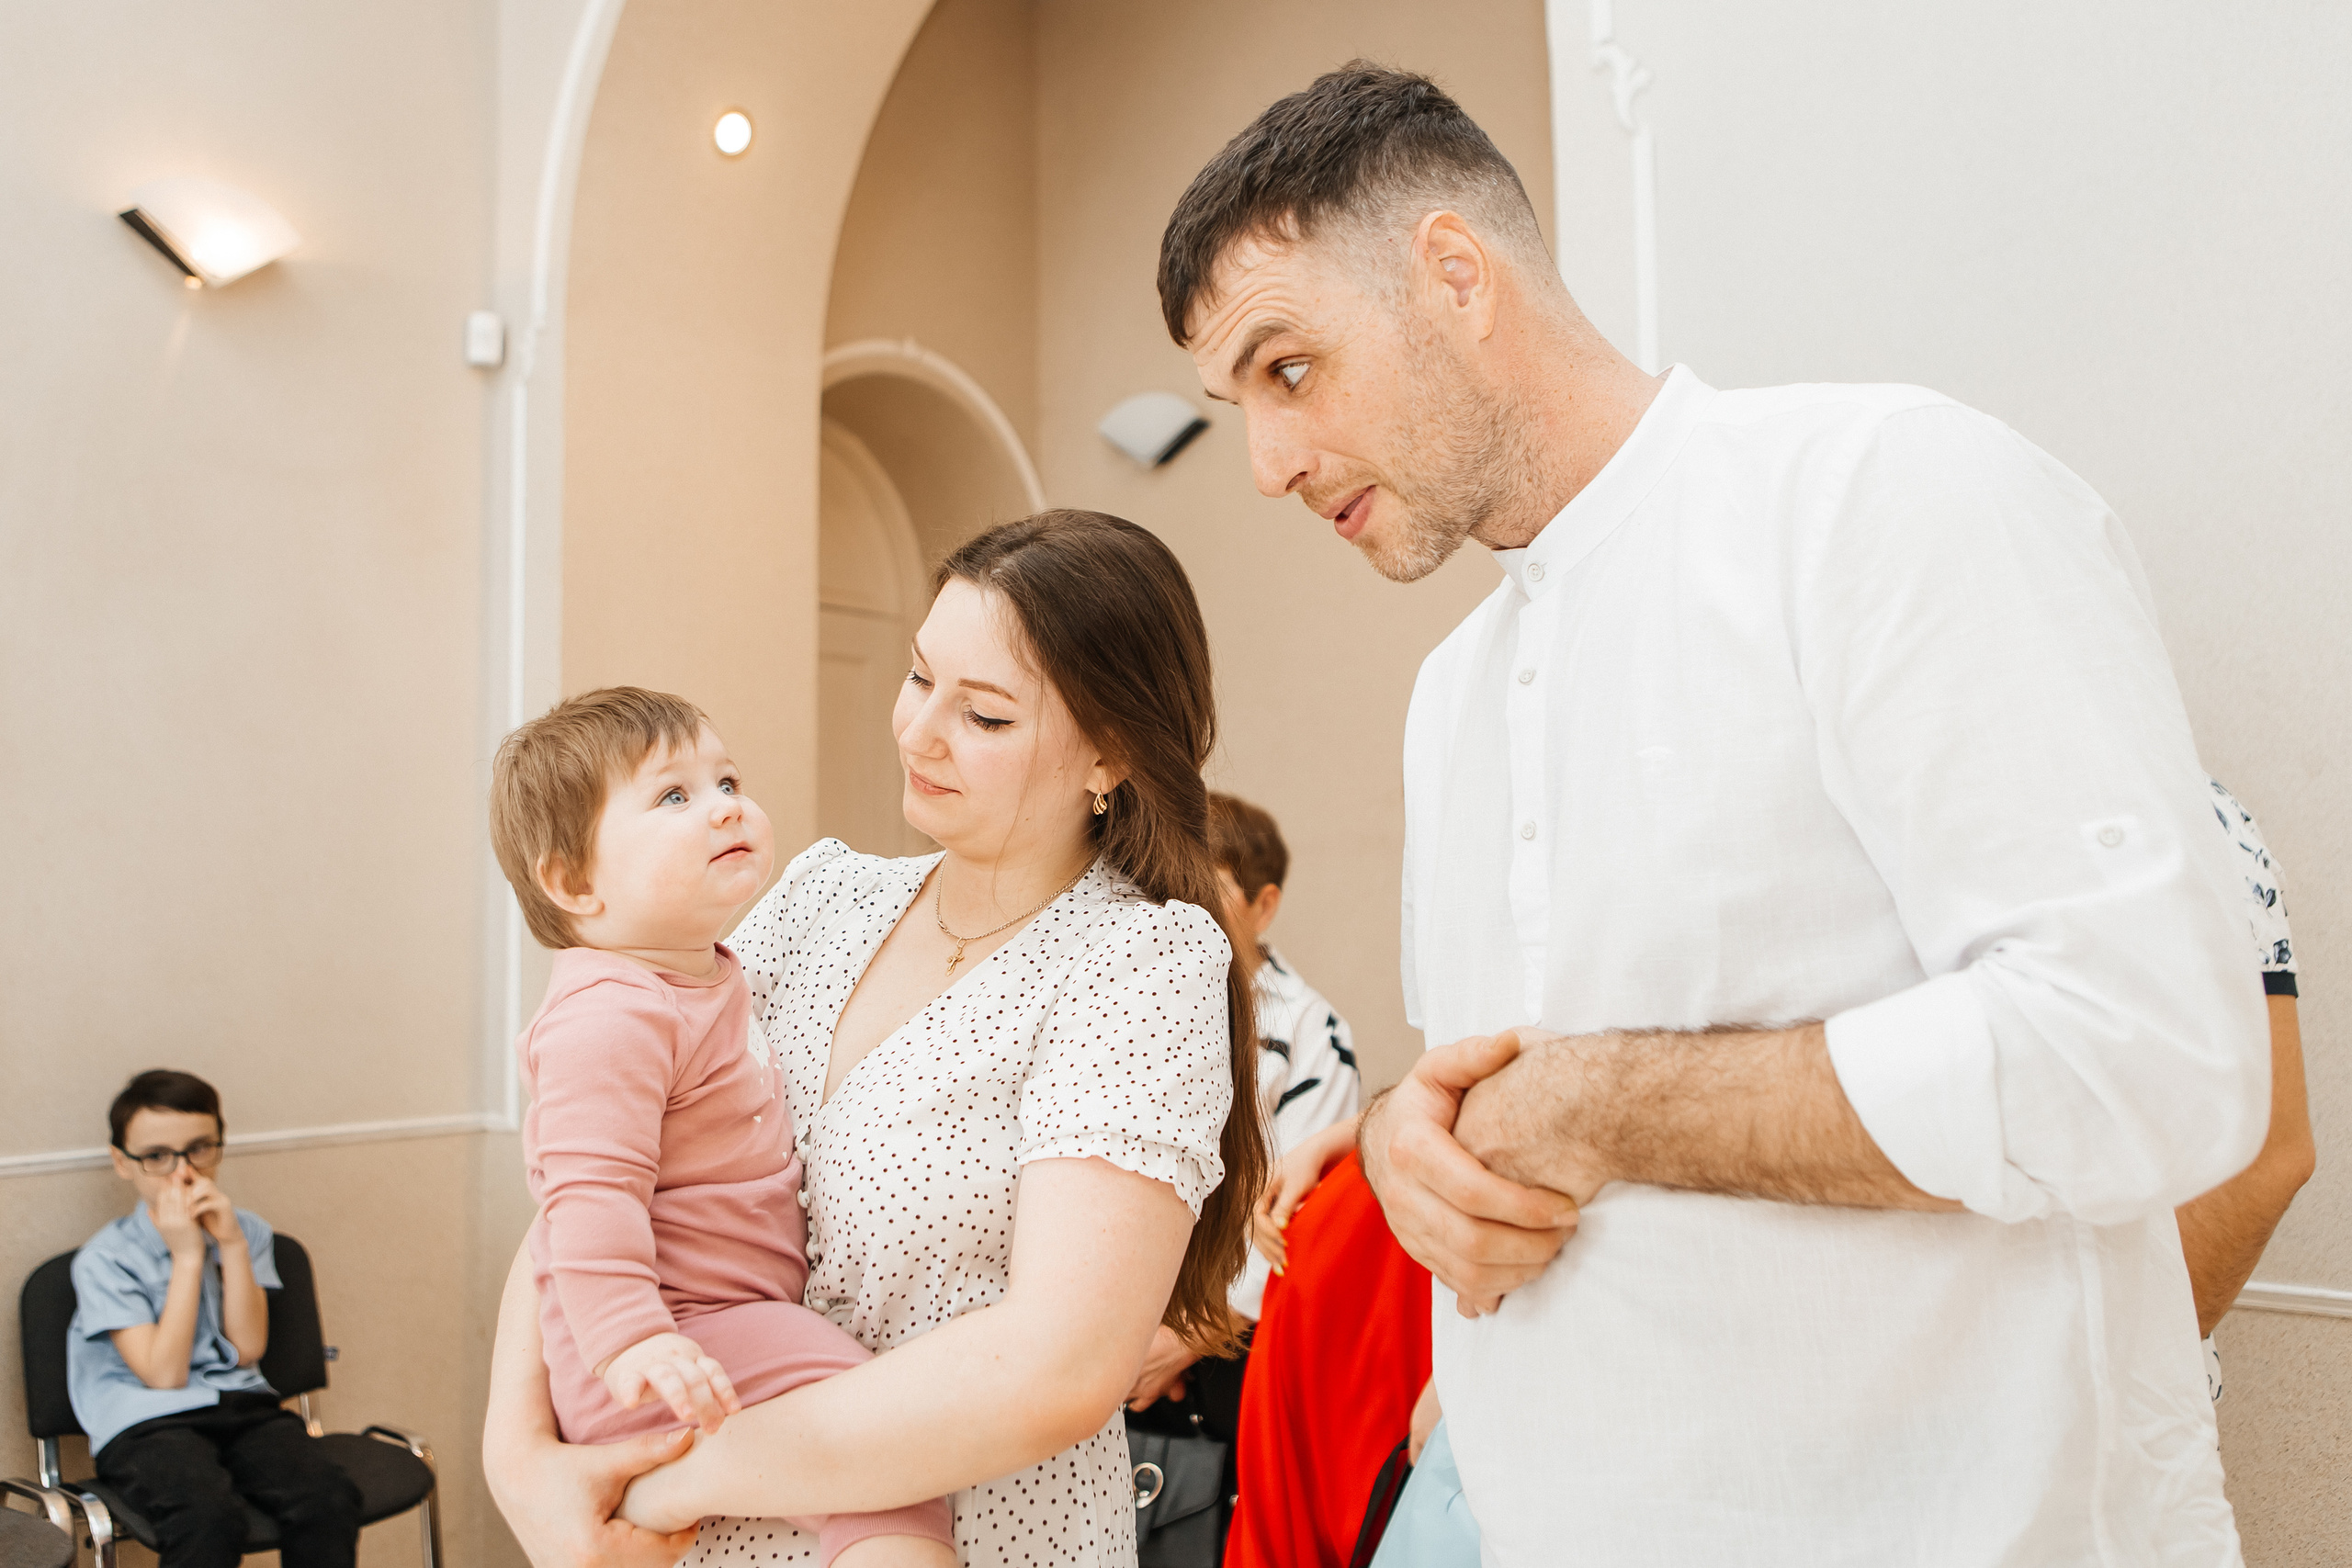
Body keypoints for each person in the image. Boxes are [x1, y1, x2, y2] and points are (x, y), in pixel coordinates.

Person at [1161, 62, 2271, 1563]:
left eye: (1288, 370)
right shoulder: (1453, 694)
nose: (1269, 462)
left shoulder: (1882, 497)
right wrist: (1414, 1158)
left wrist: (1608, 1106)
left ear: (1452, 275)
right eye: (1236, 406)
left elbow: (2154, 1055)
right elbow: (1509, 1085)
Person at [481, 511, 1267, 1568]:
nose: (919, 731)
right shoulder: (816, 899)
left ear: (1109, 751)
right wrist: (523, 1461)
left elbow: (1055, 1371)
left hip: (965, 1535)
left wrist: (674, 1483)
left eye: (983, 716)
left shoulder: (1134, 964)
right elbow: (600, 1162)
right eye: (916, 677)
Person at [487, 687, 955, 1567]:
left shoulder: (699, 971)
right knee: (887, 1450)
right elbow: (585, 1197)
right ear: (571, 881)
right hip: (669, 1338)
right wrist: (636, 1339)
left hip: (710, 1323)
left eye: (726, 778)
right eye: (674, 796)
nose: (726, 804)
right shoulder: (609, 1014)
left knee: (871, 1449)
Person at [67, 1071, 362, 1568]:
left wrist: (229, 1246)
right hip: (144, 1422)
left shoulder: (247, 1231)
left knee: (327, 1498)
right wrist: (187, 1257)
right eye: (157, 1156)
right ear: (123, 1162)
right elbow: (163, 1375)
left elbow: (247, 1348)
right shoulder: (105, 1259)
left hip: (239, 1406)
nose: (183, 1173)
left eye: (199, 1149)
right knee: (206, 1516)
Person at [1125, 791, 1359, 1417]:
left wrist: (1187, 1338)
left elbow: (1297, 1208)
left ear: (1264, 905)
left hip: (1222, 1361)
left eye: (1214, 884)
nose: (1185, 900)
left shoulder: (1310, 1028)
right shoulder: (1126, 1001)